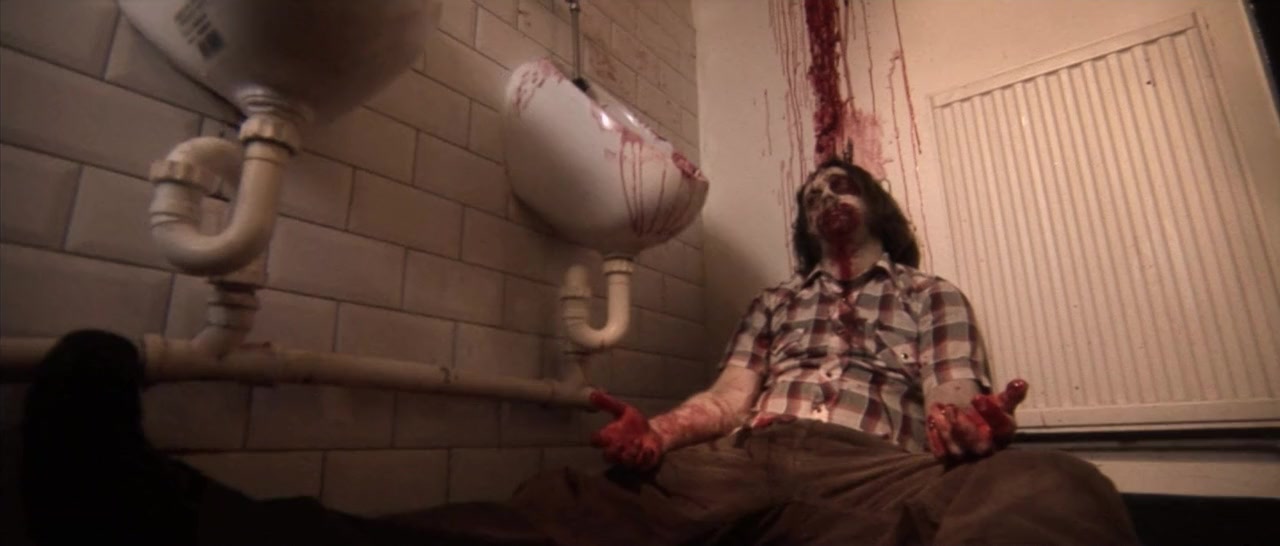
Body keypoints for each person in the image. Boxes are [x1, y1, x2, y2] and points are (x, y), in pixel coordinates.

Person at [20, 160, 1138, 545]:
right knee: (556, 513)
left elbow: (950, 394)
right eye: (809, 192)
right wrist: (664, 435)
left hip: (877, 472)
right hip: (744, 459)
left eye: (839, 185)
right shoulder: (771, 301)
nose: (822, 196)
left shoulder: (932, 294)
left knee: (1057, 489)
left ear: (876, 211)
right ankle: (173, 521)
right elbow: (727, 396)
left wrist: (963, 426)